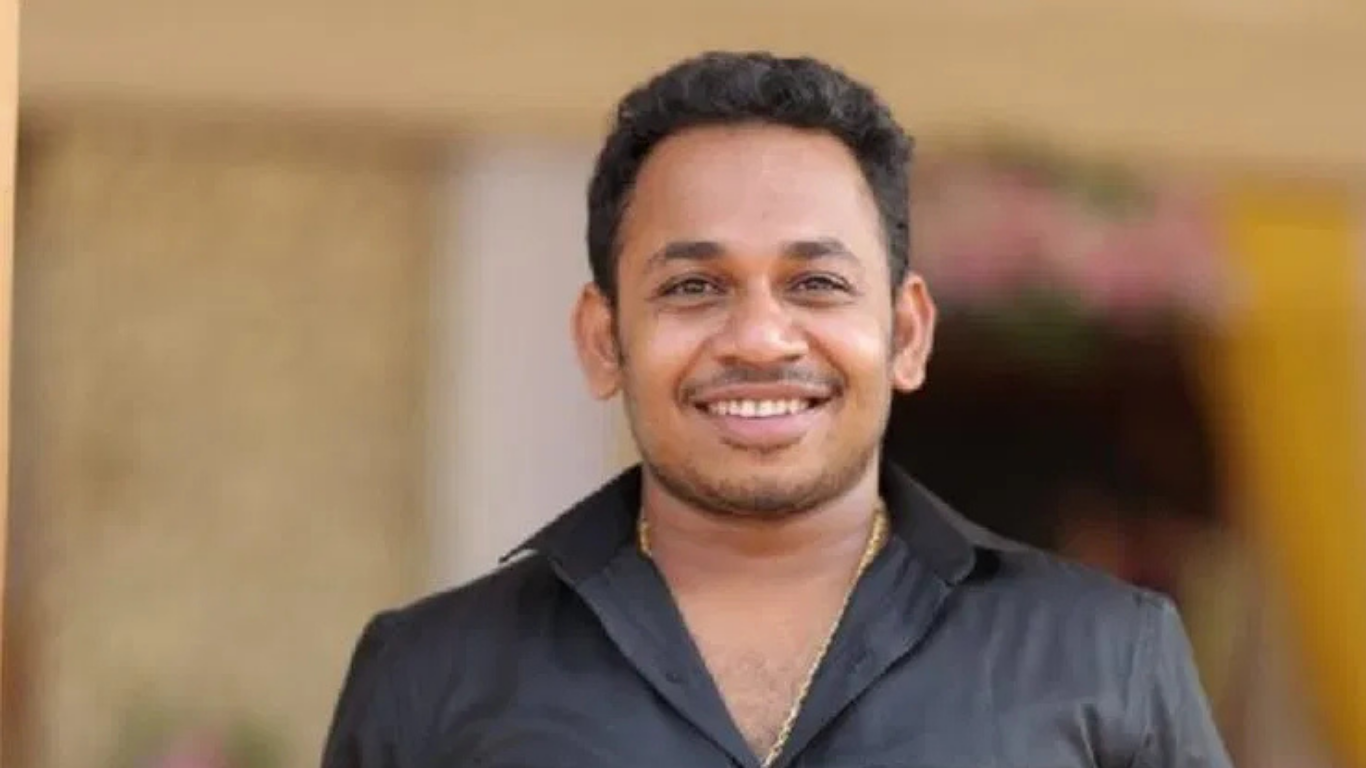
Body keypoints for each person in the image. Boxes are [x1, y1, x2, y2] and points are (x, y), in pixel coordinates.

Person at [320, 51, 1232, 768]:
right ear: (604, 339)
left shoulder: (1105, 657)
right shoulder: (430, 674)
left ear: (907, 333)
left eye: (816, 282)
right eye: (693, 285)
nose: (760, 338)